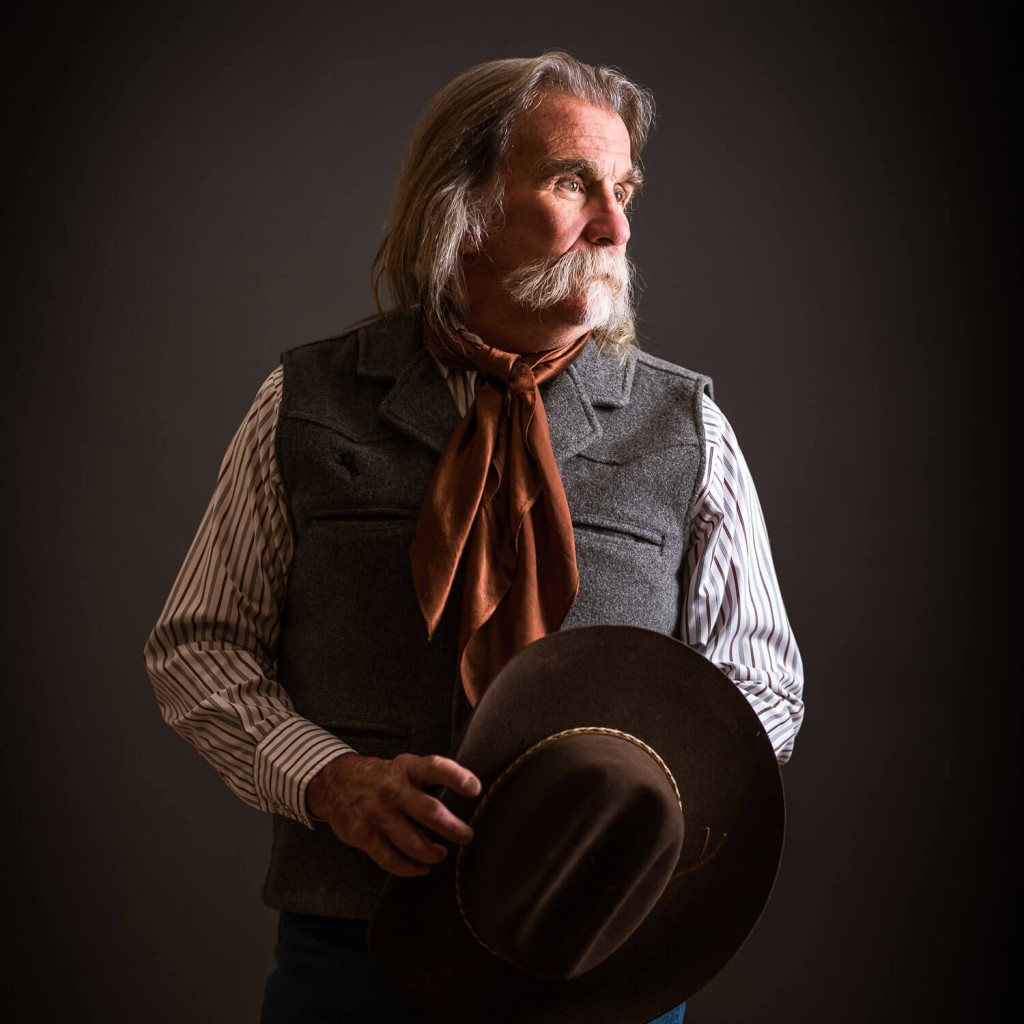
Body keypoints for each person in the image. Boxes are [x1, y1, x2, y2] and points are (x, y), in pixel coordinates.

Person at [144, 50, 804, 1024]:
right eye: (572, 183)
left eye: (622, 190)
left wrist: (626, 810)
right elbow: (196, 644)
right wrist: (328, 780)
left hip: (602, 955)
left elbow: (762, 683)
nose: (615, 227)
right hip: (351, 954)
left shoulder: (687, 427)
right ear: (463, 202)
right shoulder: (308, 401)